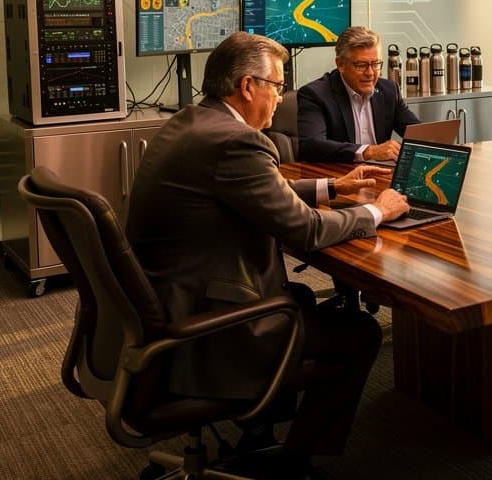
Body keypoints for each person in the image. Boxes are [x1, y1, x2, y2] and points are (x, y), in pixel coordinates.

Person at [126, 31, 410, 480]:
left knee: (299, 296)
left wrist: (332, 186)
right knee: (359, 331)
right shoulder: (238, 142)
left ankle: (259, 427)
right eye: (277, 86)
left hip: (164, 304)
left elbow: (253, 189)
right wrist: (379, 211)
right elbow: (306, 229)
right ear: (247, 86)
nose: (280, 98)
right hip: (203, 329)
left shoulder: (193, 123)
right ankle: (294, 463)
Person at [298, 26, 420, 163]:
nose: (370, 73)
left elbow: (417, 133)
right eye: (361, 65)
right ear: (340, 64)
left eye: (375, 64)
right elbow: (311, 146)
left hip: (381, 172)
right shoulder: (315, 94)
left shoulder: (389, 90)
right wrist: (368, 152)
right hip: (339, 173)